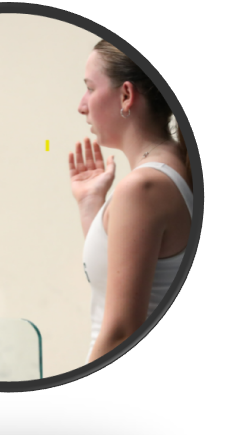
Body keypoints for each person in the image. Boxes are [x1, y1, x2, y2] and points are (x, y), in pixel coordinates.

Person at [69, 41, 193, 364]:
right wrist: (91, 204)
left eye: (90, 88)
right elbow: (124, 275)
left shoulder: (142, 188)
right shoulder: (173, 168)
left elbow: (122, 332)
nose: (82, 106)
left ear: (126, 95)